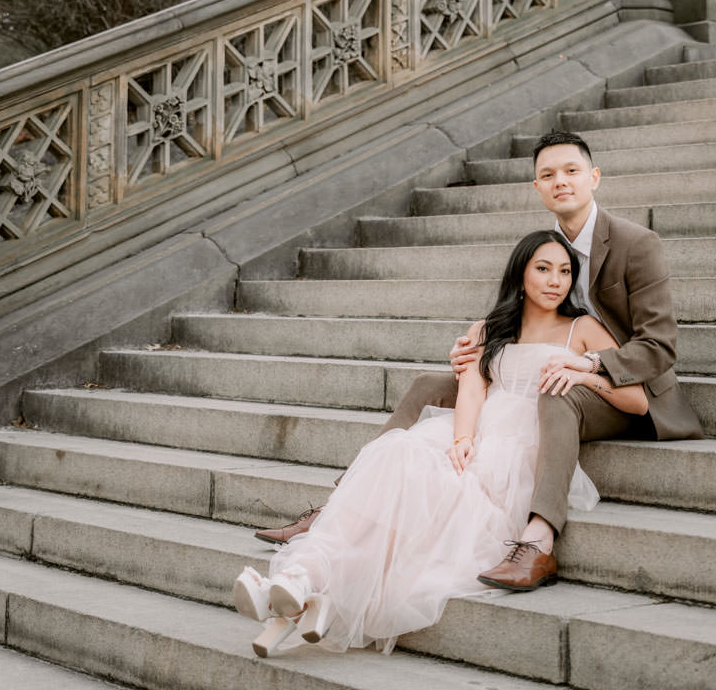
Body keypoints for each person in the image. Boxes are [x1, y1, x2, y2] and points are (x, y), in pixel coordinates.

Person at [255, 129, 703, 592]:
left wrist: (588, 366)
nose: (560, 182)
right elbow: (515, 324)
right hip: (552, 364)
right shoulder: (547, 246)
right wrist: (479, 351)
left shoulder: (636, 243)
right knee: (431, 387)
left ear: (594, 177)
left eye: (571, 171)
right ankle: (344, 504)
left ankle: (538, 542)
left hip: (622, 385)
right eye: (547, 175)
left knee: (555, 391)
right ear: (536, 187)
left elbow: (659, 346)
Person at [232, 229, 646, 657]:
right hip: (479, 430)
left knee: (429, 517)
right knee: (398, 454)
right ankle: (299, 580)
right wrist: (463, 438)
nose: (555, 280)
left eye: (564, 271)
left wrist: (584, 374)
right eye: (543, 269)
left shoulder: (584, 329)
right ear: (521, 274)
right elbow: (472, 389)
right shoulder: (489, 328)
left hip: (519, 448)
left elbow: (636, 401)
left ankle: (305, 586)